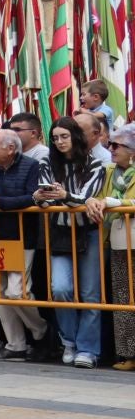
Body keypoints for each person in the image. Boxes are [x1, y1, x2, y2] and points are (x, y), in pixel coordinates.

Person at [0, 129, 53, 362]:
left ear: (11, 148)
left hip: (21, 237)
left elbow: (32, 198)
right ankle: (15, 344)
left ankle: (41, 330)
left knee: (16, 292)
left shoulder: (31, 166)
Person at [39, 116, 104, 368]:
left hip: (88, 231)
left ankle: (88, 349)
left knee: (90, 294)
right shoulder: (47, 161)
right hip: (60, 231)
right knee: (60, 288)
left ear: (75, 137)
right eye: (55, 138)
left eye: (64, 136)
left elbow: (86, 197)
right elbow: (46, 197)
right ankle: (69, 340)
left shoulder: (94, 164)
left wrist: (63, 195)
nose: (59, 142)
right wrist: (42, 197)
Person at [88, 126, 135, 371]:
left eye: (117, 145)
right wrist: (91, 201)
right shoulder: (107, 171)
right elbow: (93, 195)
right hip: (117, 243)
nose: (111, 149)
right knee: (123, 300)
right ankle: (128, 354)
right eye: (111, 144)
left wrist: (113, 202)